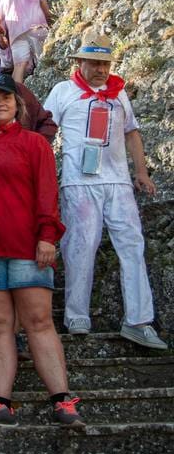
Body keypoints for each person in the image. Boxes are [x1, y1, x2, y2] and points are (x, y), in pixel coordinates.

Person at [0, 74, 84, 429]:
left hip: (27, 245)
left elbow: (48, 193)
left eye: (6, 98)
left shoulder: (34, 144)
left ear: (18, 104)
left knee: (39, 321)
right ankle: (1, 403)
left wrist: (48, 236)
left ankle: (63, 399)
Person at [44, 30, 167, 349]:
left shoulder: (118, 92)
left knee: (132, 245)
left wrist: (140, 171)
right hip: (79, 182)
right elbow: (44, 132)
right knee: (80, 245)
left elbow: (133, 132)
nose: (101, 69)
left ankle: (139, 320)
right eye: (95, 63)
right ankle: (76, 315)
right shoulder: (63, 91)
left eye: (106, 63)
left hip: (118, 183)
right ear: (81, 61)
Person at [0, 0, 51, 83]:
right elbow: (45, 7)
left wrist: (2, 36)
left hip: (15, 34)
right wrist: (50, 22)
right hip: (37, 26)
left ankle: (15, 94)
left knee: (19, 65)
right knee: (43, 58)